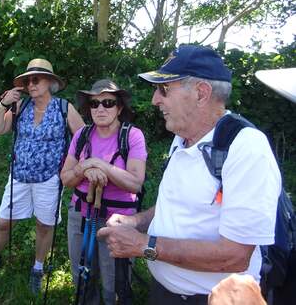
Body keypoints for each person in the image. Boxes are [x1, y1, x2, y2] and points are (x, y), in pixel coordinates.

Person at [97, 45, 281, 305]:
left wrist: (143, 245)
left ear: (201, 93)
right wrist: (135, 221)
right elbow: (175, 207)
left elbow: (235, 255)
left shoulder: (246, 148)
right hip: (165, 293)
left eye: (164, 90)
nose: (154, 100)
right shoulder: (181, 139)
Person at [0, 58, 84, 295]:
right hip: (18, 176)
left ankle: (38, 268)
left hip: (49, 179)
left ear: (49, 81)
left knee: (44, 225)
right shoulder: (21, 107)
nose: (31, 84)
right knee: (3, 223)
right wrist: (3, 104)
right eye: (28, 80)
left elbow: (83, 139)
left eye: (36, 79)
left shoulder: (64, 107)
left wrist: (71, 169)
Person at [60, 79, 147, 304]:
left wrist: (100, 165)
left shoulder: (132, 136)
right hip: (80, 213)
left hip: (117, 221)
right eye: (94, 103)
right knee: (82, 275)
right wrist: (84, 168)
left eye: (108, 102)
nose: (100, 108)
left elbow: (136, 183)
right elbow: (66, 177)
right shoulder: (82, 136)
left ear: (119, 108)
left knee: (114, 281)